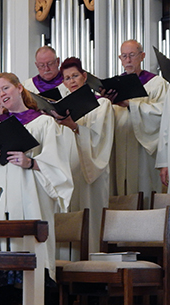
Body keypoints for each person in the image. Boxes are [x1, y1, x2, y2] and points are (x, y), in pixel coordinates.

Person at [0, 72, 73, 280]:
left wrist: (31, 162)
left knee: (31, 258)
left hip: (31, 194)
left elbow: (58, 164)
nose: (1, 93)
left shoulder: (43, 123)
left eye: (5, 88)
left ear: (19, 88)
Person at [52, 57, 114, 252]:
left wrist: (73, 126)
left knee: (91, 216)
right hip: (70, 169)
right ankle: (69, 270)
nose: (72, 81)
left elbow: (100, 138)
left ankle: (92, 268)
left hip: (92, 171)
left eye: (75, 76)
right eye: (67, 78)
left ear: (84, 76)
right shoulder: (61, 108)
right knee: (69, 217)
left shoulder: (102, 104)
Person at [108, 40, 168, 206]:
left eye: (132, 55)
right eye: (124, 56)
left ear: (142, 56)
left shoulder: (157, 84)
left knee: (144, 192)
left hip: (143, 150)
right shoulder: (114, 86)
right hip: (119, 147)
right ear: (120, 58)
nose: (128, 60)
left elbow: (163, 113)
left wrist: (131, 105)